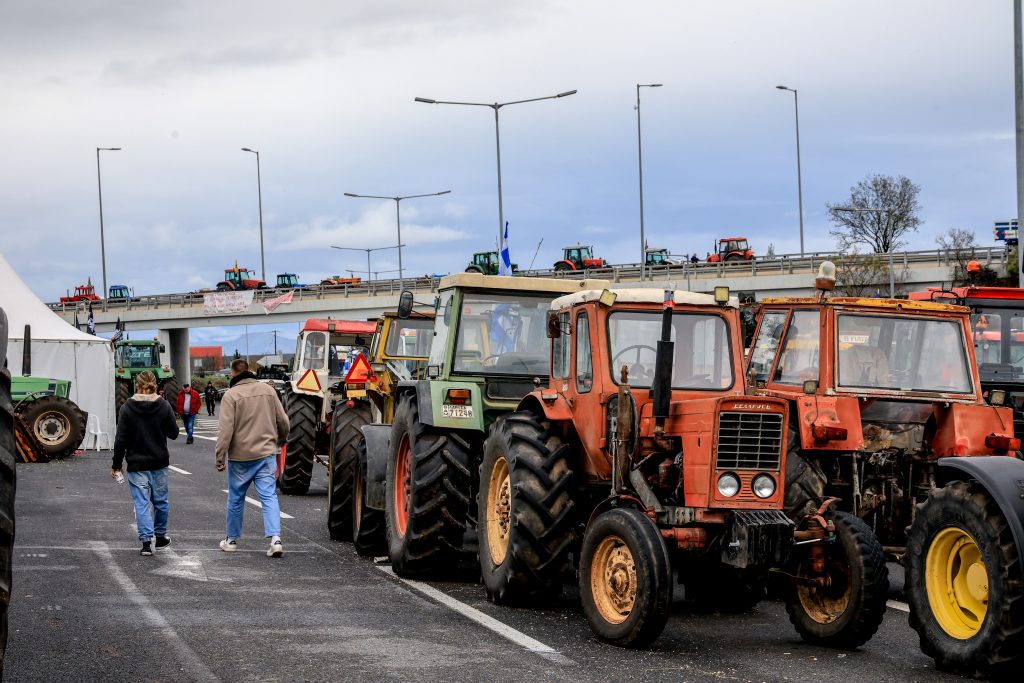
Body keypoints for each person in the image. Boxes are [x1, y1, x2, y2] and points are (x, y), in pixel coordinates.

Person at [215, 358, 289, 557]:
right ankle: (275, 540)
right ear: (248, 371)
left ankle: (231, 540)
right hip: (266, 454)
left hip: (241, 458)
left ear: (233, 373)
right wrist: (279, 441)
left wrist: (220, 456)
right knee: (268, 496)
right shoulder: (269, 391)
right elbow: (283, 421)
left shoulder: (231, 395)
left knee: (236, 498)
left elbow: (225, 431)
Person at [112, 371, 179, 556]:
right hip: (159, 462)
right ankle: (161, 537)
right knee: (161, 502)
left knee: (141, 504)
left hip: (136, 464)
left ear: (137, 384)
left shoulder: (127, 407)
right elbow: (173, 433)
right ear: (155, 384)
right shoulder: (164, 405)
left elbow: (120, 440)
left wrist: (116, 465)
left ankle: (146, 544)